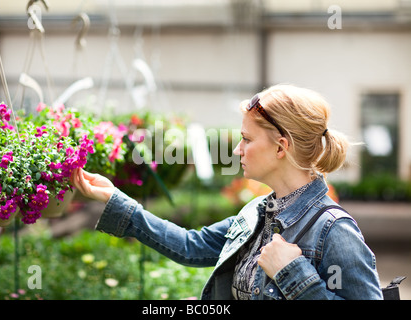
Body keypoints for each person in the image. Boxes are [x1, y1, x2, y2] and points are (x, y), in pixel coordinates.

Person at [71, 84, 383, 300]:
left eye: (247, 139)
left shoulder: (334, 230)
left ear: (280, 147)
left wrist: (293, 273)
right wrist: (116, 199)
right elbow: (192, 246)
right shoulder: (259, 211)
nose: (237, 149)